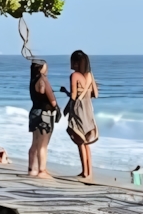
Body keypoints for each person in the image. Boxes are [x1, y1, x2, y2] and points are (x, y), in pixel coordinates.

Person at [65, 50, 99, 179]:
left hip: (78, 109)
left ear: (76, 62)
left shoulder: (74, 76)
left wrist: (67, 95)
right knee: (86, 141)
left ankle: (84, 172)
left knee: (80, 140)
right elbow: (95, 94)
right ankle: (89, 171)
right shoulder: (90, 75)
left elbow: (74, 96)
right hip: (88, 108)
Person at [26, 59, 58, 178]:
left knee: (35, 143)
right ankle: (42, 171)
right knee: (43, 144)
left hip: (34, 112)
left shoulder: (33, 80)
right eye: (45, 67)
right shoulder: (43, 80)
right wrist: (56, 107)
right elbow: (51, 98)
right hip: (44, 114)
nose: (47, 68)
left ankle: (31, 169)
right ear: (40, 69)